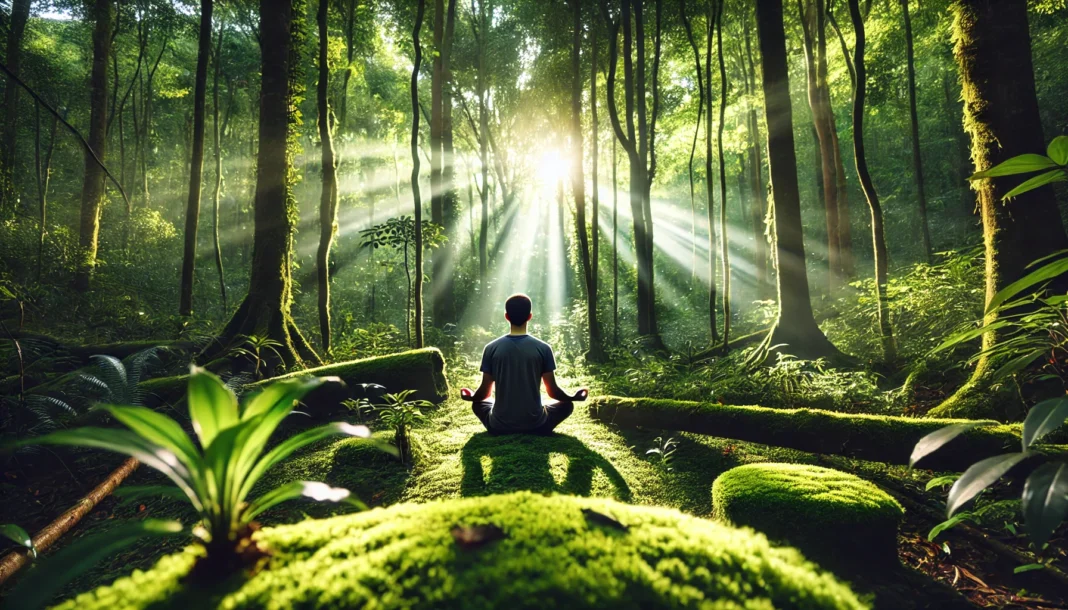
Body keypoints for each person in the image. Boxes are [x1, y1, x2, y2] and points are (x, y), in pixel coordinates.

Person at [460, 294, 588, 434]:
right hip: (536, 424)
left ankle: (501, 425)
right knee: (567, 405)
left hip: (499, 425)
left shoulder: (491, 348)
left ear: (507, 316)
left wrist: (471, 396)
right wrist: (573, 397)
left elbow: (485, 392)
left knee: (478, 404)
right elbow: (552, 391)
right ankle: (536, 425)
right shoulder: (543, 348)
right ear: (530, 316)